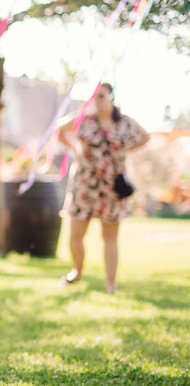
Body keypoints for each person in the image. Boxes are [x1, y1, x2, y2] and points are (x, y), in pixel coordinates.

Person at [58, 83, 150, 294]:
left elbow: (145, 136)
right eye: (93, 96)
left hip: (112, 186)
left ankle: (111, 283)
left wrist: (124, 149)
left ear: (111, 98)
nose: (96, 100)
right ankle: (76, 271)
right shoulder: (84, 119)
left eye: (101, 96)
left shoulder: (124, 122)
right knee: (76, 233)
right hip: (85, 184)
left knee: (109, 237)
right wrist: (75, 149)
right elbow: (59, 131)